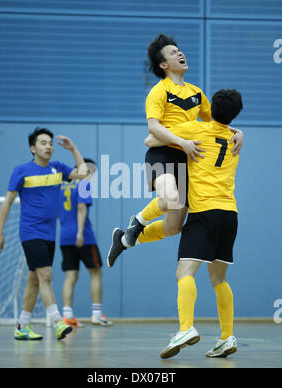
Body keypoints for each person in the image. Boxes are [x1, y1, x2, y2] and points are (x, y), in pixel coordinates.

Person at [107, 34, 243, 268]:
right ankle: (137, 222)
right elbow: (153, 127)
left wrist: (237, 131)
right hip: (163, 155)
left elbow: (215, 124)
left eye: (179, 50)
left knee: (172, 227)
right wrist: (181, 142)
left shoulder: (197, 93)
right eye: (172, 53)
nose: (180, 53)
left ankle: (124, 239)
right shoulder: (159, 91)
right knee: (169, 198)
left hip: (187, 158)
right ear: (163, 65)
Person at [145, 89, 243, 359]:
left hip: (204, 212)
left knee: (184, 272)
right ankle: (226, 337)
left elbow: (152, 139)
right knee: (219, 278)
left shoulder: (195, 129)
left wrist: (177, 139)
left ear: (210, 108)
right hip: (230, 214)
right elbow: (227, 128)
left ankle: (186, 328)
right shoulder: (235, 138)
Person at [0, 127, 88, 341]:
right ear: (33, 148)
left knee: (34, 280)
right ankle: (57, 322)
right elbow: (8, 202)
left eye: (51, 143)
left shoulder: (58, 168)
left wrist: (73, 149)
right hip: (30, 232)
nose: (49, 146)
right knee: (46, 275)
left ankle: (22, 326)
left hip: (49, 234)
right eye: (44, 143)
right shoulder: (21, 171)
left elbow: (83, 173)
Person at [59, 159, 113, 327]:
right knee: (96, 273)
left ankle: (67, 316)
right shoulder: (83, 184)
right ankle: (96, 314)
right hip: (84, 237)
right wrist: (81, 232)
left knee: (70, 276)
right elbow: (81, 208)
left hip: (64, 236)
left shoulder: (62, 187)